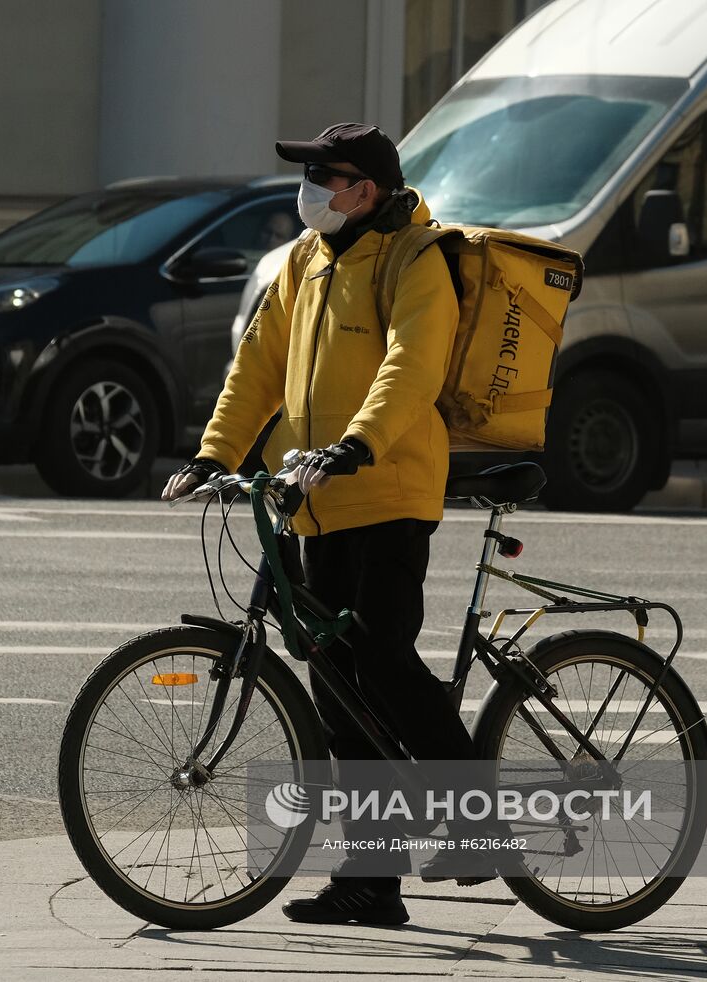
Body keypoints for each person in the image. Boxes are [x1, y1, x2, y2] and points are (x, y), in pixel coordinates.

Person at [162, 123, 489, 926]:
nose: (309, 187)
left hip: (388, 490)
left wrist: (359, 444)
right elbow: (258, 364)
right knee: (337, 688)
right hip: (314, 499)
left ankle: (483, 829)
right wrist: (215, 454)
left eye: (324, 175)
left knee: (380, 659)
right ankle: (372, 883)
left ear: (366, 191)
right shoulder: (307, 260)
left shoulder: (417, 260)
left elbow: (411, 364)